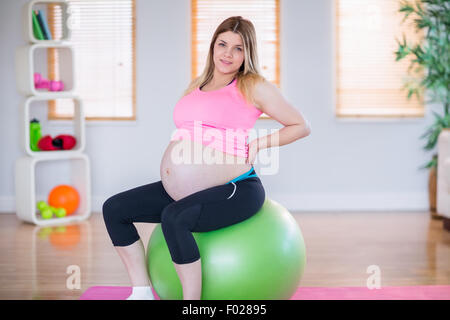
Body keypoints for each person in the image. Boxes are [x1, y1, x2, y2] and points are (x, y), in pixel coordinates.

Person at [102, 16, 311, 300]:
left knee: (174, 218)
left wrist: (261, 143)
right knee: (114, 209)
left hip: (237, 187)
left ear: (247, 54)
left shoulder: (253, 86)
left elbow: (301, 125)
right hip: (184, 189)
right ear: (213, 46)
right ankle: (141, 292)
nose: (228, 53)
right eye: (222, 44)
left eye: (238, 48)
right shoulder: (196, 85)